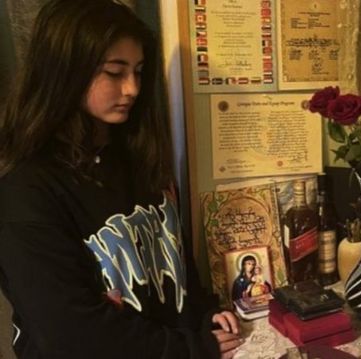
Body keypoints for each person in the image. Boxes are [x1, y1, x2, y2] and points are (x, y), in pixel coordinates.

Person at [0, 1, 242, 358]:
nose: (131, 89)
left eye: (139, 72)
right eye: (114, 72)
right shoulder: (25, 187)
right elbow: (70, 332)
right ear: (65, 70)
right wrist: (192, 348)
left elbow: (173, 259)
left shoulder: (137, 155)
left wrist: (206, 312)